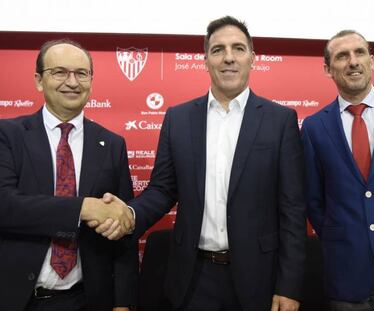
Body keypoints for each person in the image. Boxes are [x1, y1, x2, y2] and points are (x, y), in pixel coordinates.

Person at [102, 15, 306, 311]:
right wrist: (130, 213)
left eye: (238, 48)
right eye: (218, 50)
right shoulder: (178, 118)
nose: (228, 58)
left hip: (259, 277)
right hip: (193, 278)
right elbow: (161, 190)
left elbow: (292, 209)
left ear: (252, 58)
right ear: (205, 61)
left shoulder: (281, 121)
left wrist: (289, 286)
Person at [0, 39, 138, 311]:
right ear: (39, 81)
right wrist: (83, 208)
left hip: (87, 299)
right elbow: (5, 205)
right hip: (18, 298)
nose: (72, 82)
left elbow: (122, 229)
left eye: (81, 73)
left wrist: (123, 301)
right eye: (60, 72)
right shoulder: (9, 135)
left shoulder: (112, 144)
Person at [301, 30, 374, 311]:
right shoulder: (315, 127)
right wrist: (337, 234)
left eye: (360, 53)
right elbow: (313, 199)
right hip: (347, 264)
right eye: (342, 56)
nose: (353, 62)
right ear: (328, 69)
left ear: (372, 61)